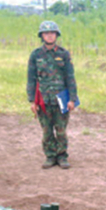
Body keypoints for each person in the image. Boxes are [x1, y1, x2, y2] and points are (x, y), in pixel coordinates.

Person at [26, 21, 78, 169]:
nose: (49, 36)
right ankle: (50, 156)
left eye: (52, 33)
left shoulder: (64, 54)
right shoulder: (36, 55)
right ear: (42, 36)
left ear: (56, 35)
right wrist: (32, 101)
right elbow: (31, 79)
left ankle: (62, 156)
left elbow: (70, 77)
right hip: (43, 99)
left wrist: (72, 99)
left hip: (61, 98)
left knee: (61, 130)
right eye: (46, 33)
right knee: (47, 131)